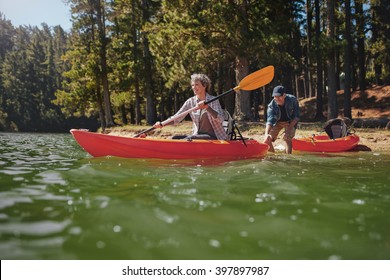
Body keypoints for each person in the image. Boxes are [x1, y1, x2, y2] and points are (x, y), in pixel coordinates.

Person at [153, 73, 228, 140]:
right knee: (172, 138)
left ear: (204, 85)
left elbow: (221, 119)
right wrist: (162, 124)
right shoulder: (190, 102)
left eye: (196, 85)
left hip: (214, 136)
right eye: (192, 85)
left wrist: (207, 107)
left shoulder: (213, 100)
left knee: (188, 139)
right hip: (197, 135)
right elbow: (177, 118)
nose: (194, 87)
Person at [263, 85, 300, 154]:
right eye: (275, 96)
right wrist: (266, 134)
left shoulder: (293, 100)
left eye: (279, 96)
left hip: (290, 122)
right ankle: (273, 158)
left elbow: (296, 117)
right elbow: (270, 121)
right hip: (277, 122)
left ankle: (288, 158)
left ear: (284, 95)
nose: (277, 99)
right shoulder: (271, 106)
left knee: (287, 138)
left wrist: (288, 130)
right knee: (267, 139)